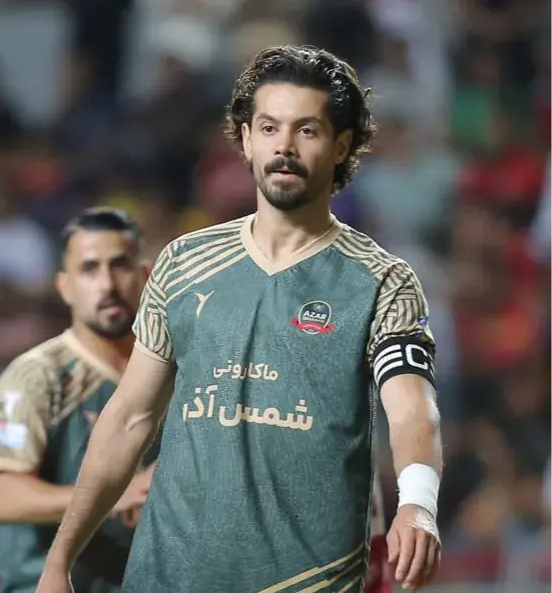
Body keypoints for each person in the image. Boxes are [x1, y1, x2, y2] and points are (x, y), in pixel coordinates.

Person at [37, 45, 443, 593]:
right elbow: (129, 419)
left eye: (306, 130)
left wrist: (418, 503)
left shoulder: (381, 281)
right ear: (246, 139)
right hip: (167, 579)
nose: (284, 146)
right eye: (269, 128)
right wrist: (60, 557)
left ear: (341, 145)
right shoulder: (183, 264)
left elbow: (413, 409)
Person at [0, 207, 159, 593]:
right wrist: (114, 493)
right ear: (64, 287)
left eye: (120, 265)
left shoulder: (171, 373)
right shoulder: (34, 376)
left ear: (146, 277)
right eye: (89, 269)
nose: (107, 284)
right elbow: (4, 496)